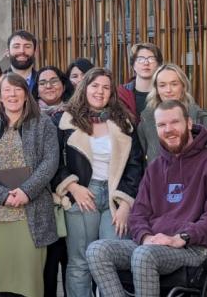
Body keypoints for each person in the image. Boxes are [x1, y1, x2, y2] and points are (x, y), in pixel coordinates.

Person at [86, 99, 207, 297]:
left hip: (194, 248)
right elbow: (138, 214)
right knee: (96, 250)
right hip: (153, 245)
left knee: (143, 255)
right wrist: (146, 237)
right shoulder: (155, 167)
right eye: (162, 125)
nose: (168, 129)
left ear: (189, 123)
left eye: (174, 122)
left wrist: (181, 238)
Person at [52, 68, 145, 297]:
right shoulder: (63, 120)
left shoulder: (124, 122)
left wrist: (126, 204)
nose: (99, 91)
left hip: (115, 198)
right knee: (80, 262)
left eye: (105, 87)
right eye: (95, 86)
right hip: (83, 195)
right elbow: (53, 162)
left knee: (110, 264)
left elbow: (135, 166)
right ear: (84, 88)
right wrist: (73, 187)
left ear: (111, 92)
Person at [0, 73, 61, 297]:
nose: (12, 94)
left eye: (17, 89)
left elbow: (51, 161)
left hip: (31, 214)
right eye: (7, 90)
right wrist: (2, 195)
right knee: (2, 284)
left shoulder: (42, 124)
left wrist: (26, 191)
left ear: (26, 94)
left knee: (30, 282)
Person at [34, 65, 73, 296]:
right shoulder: (30, 117)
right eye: (42, 82)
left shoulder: (76, 114)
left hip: (71, 196)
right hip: (42, 199)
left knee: (71, 263)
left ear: (63, 84)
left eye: (53, 80)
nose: (48, 86)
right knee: (46, 268)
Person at [137, 64, 207, 162]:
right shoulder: (146, 122)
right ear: (156, 89)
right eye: (162, 85)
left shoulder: (201, 119)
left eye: (174, 84)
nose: (168, 90)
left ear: (183, 86)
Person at [117, 43, 163, 123]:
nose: (146, 63)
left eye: (151, 59)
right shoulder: (120, 94)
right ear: (133, 65)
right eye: (140, 59)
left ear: (158, 64)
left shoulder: (166, 92)